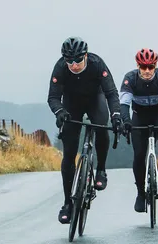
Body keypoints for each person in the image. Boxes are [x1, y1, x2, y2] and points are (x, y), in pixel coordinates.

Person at [47, 36, 122, 224]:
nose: (74, 65)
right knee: (69, 154)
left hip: (95, 99)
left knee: (101, 127)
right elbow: (53, 97)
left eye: (78, 60)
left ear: (86, 56)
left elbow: (111, 93)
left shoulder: (97, 64)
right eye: (69, 61)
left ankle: (101, 170)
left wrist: (116, 116)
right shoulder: (60, 68)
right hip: (71, 104)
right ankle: (67, 204)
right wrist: (60, 111)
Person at [119, 48, 158, 213]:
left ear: (155, 66)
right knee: (139, 155)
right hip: (139, 115)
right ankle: (140, 194)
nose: (147, 71)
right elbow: (124, 104)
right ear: (138, 66)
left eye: (150, 67)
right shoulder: (130, 79)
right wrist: (125, 121)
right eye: (143, 67)